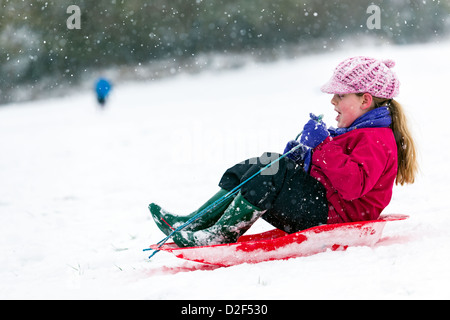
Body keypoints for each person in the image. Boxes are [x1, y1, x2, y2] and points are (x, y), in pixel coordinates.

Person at [149, 56, 418, 247]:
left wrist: (322, 146)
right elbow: (331, 174)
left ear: (365, 100)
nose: (332, 101)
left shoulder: (376, 139)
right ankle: (196, 222)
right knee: (268, 163)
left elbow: (352, 186)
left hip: (338, 215)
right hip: (326, 205)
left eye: (340, 95)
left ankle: (219, 234)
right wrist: (302, 157)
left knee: (271, 174)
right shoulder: (357, 130)